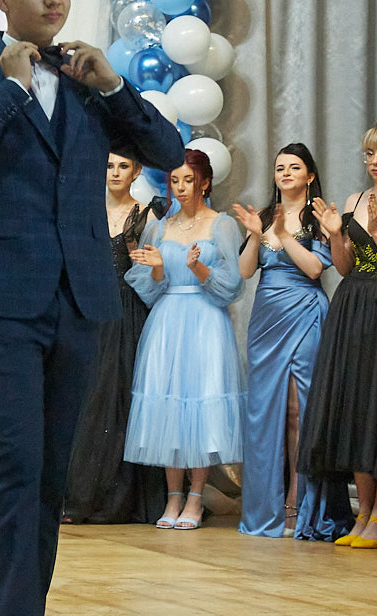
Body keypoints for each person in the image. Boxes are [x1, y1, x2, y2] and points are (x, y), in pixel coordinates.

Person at [0, 0, 182, 615]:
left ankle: (24, 604)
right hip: (2, 296)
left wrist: (115, 86)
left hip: (82, 296)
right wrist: (11, 88)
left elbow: (169, 151)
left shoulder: (86, 78)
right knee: (15, 459)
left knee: (52, 469)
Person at [297, 120, 377, 548]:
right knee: (355, 407)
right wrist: (337, 235)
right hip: (353, 305)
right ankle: (363, 511)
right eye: (370, 154)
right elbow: (344, 266)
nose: (376, 161)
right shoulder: (354, 199)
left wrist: (376, 231)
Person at [124, 149, 245, 531]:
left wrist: (199, 268)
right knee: (169, 406)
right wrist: (160, 269)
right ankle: (173, 496)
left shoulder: (222, 225)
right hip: (167, 320)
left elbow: (232, 286)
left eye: (188, 180)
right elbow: (149, 289)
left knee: (200, 405)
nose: (180, 187)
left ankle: (195, 497)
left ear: (204, 183)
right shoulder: (159, 228)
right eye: (174, 180)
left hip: (206, 320)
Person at [233, 143, 343, 539]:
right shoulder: (264, 215)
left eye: (294, 167)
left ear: (309, 175)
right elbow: (246, 271)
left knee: (300, 410)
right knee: (264, 413)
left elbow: (315, 268)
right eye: (280, 167)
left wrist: (282, 235)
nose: (285, 173)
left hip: (305, 310)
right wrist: (256, 236)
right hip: (266, 318)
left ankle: (300, 501)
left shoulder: (318, 217)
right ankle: (265, 507)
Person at [62, 150, 167, 525]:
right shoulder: (85, 211)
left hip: (126, 312)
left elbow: (157, 275)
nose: (115, 172)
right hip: (88, 312)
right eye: (109, 165)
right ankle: (79, 494)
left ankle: (114, 499)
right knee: (85, 399)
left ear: (136, 171)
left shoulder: (147, 215)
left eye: (124, 166)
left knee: (117, 398)